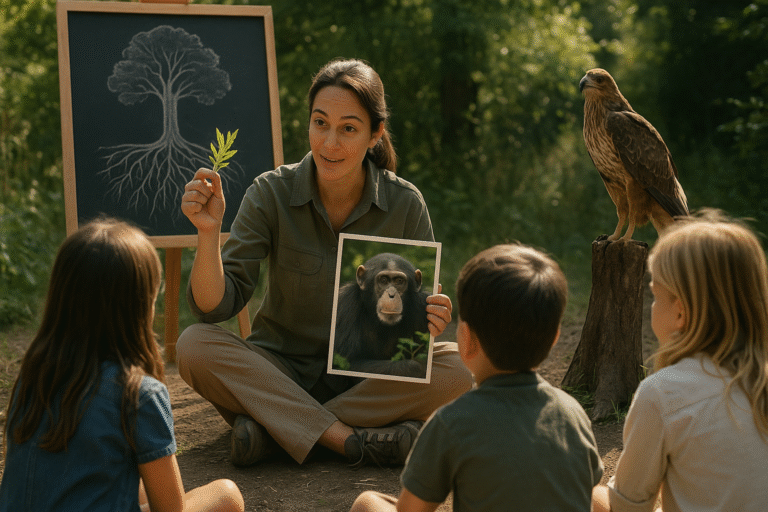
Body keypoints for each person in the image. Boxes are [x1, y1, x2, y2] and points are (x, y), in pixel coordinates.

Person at [176, 58, 472, 468]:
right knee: (193, 345)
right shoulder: (270, 192)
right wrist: (208, 234)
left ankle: (275, 432)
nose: (329, 143)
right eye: (320, 123)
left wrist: (432, 316)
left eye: (348, 128)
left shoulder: (405, 203)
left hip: (366, 379)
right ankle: (350, 440)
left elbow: (416, 327)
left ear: (375, 134)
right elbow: (214, 307)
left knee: (460, 367)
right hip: (278, 370)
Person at [0, 219, 244, 512]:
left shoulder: (34, 378)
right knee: (226, 495)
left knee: (138, 483)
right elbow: (171, 510)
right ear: (141, 306)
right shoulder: (139, 394)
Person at [350, 244, 604, 512]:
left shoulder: (450, 423)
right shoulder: (573, 413)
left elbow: (411, 510)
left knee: (368, 503)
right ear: (554, 339)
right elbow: (591, 496)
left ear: (467, 339)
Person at [592, 211, 768, 512]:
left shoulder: (662, 394)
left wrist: (578, 479)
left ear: (681, 312)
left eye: (655, 296)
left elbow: (627, 510)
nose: (653, 307)